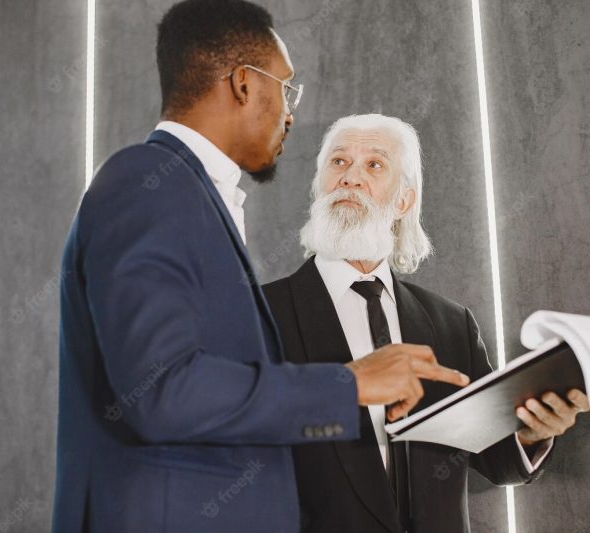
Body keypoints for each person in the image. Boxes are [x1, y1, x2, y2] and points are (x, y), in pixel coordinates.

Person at [50, 3, 468, 532]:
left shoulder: (191, 195)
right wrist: (348, 385)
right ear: (245, 84)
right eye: (285, 88)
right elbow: (161, 389)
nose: (290, 112)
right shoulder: (146, 181)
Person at [263, 114, 590, 533]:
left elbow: (496, 460)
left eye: (374, 165)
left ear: (403, 201)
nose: (350, 178)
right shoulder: (257, 314)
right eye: (339, 162)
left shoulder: (452, 324)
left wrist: (534, 433)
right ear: (318, 188)